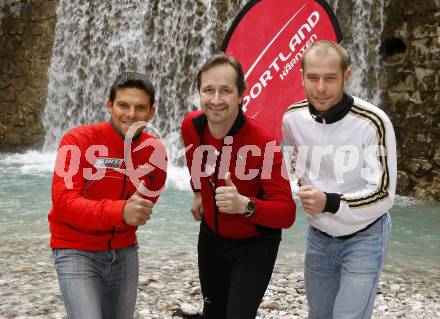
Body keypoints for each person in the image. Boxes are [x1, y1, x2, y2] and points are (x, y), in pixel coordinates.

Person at [282, 40, 397, 319]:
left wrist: (330, 202)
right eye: (313, 78)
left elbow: (384, 193)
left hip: (366, 236)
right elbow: (293, 167)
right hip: (318, 236)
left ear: (346, 76)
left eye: (330, 79)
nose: (321, 88)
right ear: (301, 77)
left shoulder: (374, 122)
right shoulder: (291, 119)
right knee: (319, 315)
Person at [181, 52, 296, 319]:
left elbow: (287, 213)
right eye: (208, 90)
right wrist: (198, 190)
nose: (216, 99)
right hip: (210, 238)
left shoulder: (262, 141)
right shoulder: (192, 125)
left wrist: (244, 205)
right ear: (199, 93)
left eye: (226, 91)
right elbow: (193, 157)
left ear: (241, 95)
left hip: (255, 245)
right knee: (213, 313)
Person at [48, 72, 167, 319]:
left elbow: (148, 199)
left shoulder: (155, 150)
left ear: (152, 112)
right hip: (76, 249)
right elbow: (64, 203)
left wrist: (133, 213)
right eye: (123, 105)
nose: (131, 115)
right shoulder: (76, 140)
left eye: (140, 108)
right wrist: (120, 211)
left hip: (125, 252)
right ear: (109, 105)